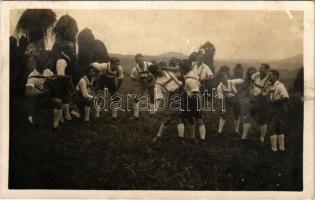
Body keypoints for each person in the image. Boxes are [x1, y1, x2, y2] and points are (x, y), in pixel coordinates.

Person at [25, 51, 63, 129]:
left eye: (45, 64)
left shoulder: (47, 71)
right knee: (35, 124)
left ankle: (55, 126)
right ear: (37, 64)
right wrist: (42, 92)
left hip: (46, 98)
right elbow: (27, 92)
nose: (44, 66)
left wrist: (57, 78)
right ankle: (32, 117)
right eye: (41, 64)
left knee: (58, 102)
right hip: (36, 101)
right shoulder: (32, 76)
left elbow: (54, 77)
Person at [148, 64, 184, 143]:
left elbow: (178, 70)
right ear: (155, 73)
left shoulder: (168, 71)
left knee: (181, 116)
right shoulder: (158, 83)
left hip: (183, 91)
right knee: (170, 117)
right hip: (175, 96)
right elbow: (159, 97)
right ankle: (158, 136)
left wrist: (167, 68)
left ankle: (181, 138)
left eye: (160, 68)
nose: (160, 70)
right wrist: (155, 109)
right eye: (158, 70)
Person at [178, 59, 206, 145]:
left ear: (184, 69)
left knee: (185, 118)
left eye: (180, 68)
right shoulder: (193, 72)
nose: (179, 70)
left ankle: (192, 138)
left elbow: (196, 93)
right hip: (193, 97)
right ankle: (202, 139)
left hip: (192, 99)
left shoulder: (189, 80)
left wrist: (201, 106)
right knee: (199, 118)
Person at [248, 63, 271, 143]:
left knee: (263, 118)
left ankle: (262, 137)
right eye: (260, 68)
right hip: (254, 97)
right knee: (249, 115)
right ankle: (246, 134)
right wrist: (251, 90)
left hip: (263, 99)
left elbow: (267, 92)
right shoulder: (256, 75)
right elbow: (251, 82)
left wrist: (262, 95)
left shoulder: (269, 79)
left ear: (267, 70)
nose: (259, 69)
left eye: (262, 68)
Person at [267, 70, 289, 152]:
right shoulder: (272, 86)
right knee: (279, 127)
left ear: (275, 76)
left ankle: (274, 149)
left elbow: (286, 97)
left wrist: (273, 102)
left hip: (279, 108)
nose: (268, 77)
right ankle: (282, 148)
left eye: (270, 75)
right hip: (273, 109)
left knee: (271, 126)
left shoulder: (280, 85)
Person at [130, 53, 155, 119]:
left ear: (143, 59)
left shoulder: (149, 64)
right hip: (142, 84)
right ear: (136, 61)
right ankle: (136, 116)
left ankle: (152, 113)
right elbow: (132, 77)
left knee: (152, 96)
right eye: (138, 61)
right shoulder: (135, 69)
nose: (140, 62)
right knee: (136, 97)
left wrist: (153, 81)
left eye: (141, 60)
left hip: (151, 82)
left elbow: (155, 72)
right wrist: (139, 80)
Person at [240, 67, 257, 140]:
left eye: (253, 72)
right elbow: (244, 90)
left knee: (260, 119)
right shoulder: (246, 82)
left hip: (258, 101)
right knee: (247, 117)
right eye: (250, 72)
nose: (252, 74)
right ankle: (244, 136)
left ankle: (261, 136)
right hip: (249, 100)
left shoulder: (258, 81)